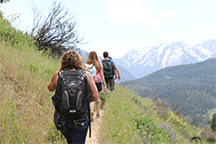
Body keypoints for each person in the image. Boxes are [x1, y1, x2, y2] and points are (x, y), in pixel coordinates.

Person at [47, 50, 99, 144]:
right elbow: (95, 97)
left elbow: (50, 88)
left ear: (63, 61)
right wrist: (82, 102)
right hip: (80, 117)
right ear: (79, 61)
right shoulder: (87, 75)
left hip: (63, 118)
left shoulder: (58, 75)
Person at [85, 51, 107, 122]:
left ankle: (91, 111)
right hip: (98, 82)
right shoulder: (99, 64)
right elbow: (102, 75)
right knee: (97, 97)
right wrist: (104, 84)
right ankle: (98, 113)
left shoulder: (86, 64)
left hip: (88, 82)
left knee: (91, 98)